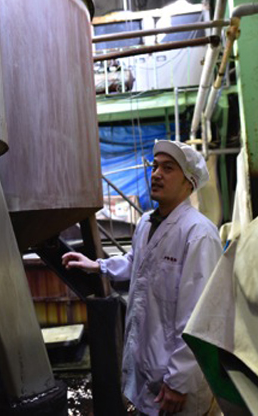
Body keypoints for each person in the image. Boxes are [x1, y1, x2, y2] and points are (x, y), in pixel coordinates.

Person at [62, 140, 222, 415]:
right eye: (155, 166)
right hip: (150, 372)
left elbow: (200, 316)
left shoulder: (198, 234)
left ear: (189, 183)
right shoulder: (147, 223)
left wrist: (179, 381)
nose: (156, 173)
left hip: (177, 384)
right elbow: (137, 262)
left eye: (168, 168)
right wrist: (98, 266)